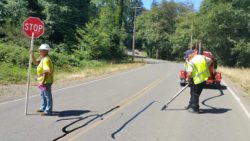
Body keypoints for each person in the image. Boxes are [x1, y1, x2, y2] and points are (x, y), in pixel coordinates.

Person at [184, 49, 210, 113]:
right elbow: (210, 60)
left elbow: (189, 73)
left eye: (187, 56)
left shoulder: (191, 62)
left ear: (191, 55)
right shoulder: (201, 57)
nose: (187, 58)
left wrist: (188, 79)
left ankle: (194, 108)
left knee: (195, 94)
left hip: (197, 79)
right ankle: (191, 105)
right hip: (203, 78)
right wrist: (207, 66)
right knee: (193, 92)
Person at [31, 44, 54, 116]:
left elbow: (46, 71)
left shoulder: (46, 60)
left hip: (46, 81)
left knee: (47, 96)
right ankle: (43, 108)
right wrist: (32, 54)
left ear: (46, 51)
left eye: (41, 50)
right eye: (40, 50)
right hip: (42, 80)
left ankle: (48, 111)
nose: (40, 51)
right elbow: (35, 62)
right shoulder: (42, 58)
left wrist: (42, 82)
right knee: (43, 95)